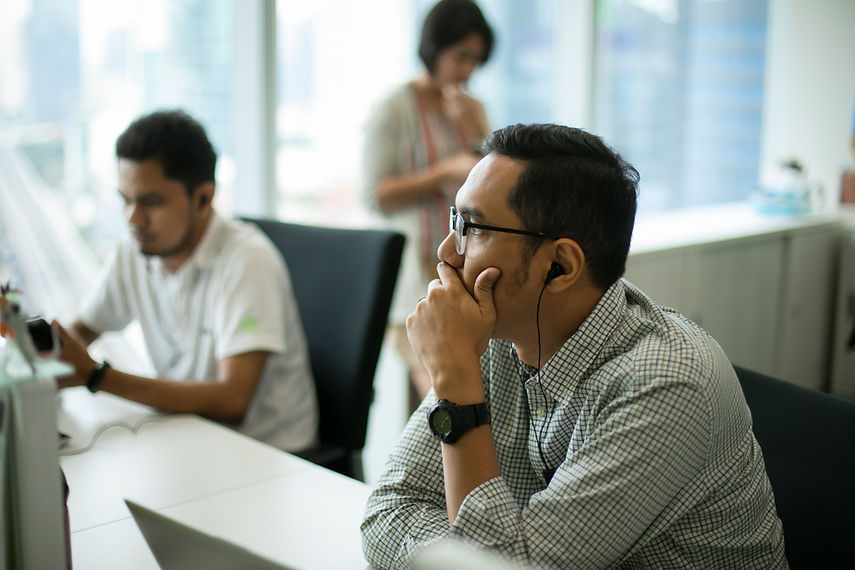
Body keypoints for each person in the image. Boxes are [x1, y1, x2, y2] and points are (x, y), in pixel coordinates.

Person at [361, 123, 787, 568]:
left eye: (474, 227)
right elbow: (389, 510)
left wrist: (455, 384)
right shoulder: (490, 337)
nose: (447, 253)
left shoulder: (667, 383)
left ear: (560, 267)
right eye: (455, 221)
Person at [53, 109, 319, 453]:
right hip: (190, 438)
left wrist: (97, 377)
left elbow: (233, 400)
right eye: (125, 200)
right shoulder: (135, 250)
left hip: (267, 456)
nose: (133, 218)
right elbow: (79, 334)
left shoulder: (247, 259)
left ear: (204, 198)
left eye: (150, 202)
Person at [361, 0, 494, 403]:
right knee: (443, 394)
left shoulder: (472, 108)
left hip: (461, 269)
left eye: (476, 60)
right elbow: (374, 194)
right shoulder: (394, 108)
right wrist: (441, 173)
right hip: (410, 274)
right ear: (436, 48)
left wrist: (473, 130)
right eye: (461, 56)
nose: (468, 70)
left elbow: (492, 178)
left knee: (451, 392)